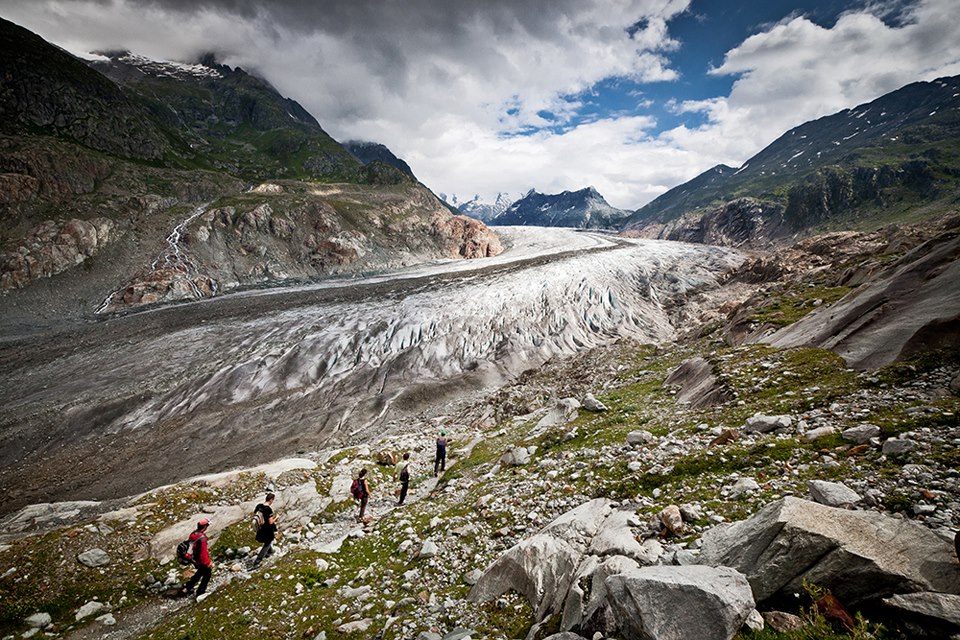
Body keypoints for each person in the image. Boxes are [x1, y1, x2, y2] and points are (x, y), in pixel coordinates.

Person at [180, 519, 212, 597]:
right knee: (207, 574)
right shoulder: (202, 538)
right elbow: (203, 553)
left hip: (193, 559)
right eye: (207, 525)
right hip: (201, 560)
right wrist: (208, 563)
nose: (207, 527)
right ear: (204, 527)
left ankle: (187, 587)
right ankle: (201, 592)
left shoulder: (194, 534)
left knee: (200, 572)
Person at [252, 492, 278, 569]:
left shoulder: (259, 506)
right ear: (270, 500)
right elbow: (270, 522)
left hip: (260, 528)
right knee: (267, 543)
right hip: (267, 529)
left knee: (268, 542)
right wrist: (276, 517)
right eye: (273, 500)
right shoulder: (268, 509)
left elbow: (255, 514)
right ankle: (257, 562)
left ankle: (270, 552)